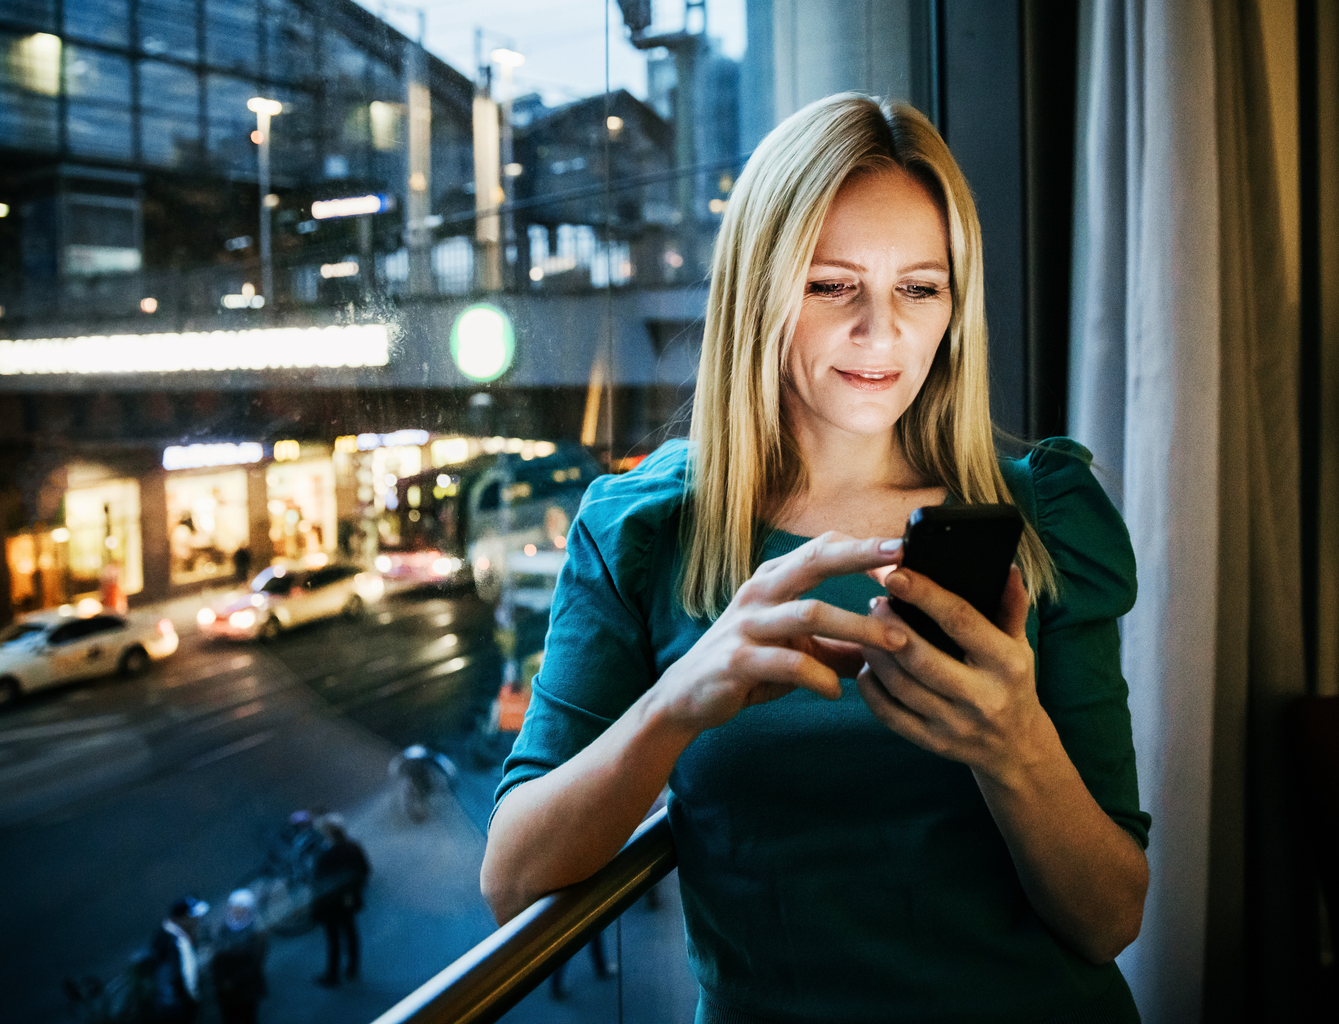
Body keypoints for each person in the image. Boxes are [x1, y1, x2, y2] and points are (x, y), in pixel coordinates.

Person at [481, 92, 1150, 1023]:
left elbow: (1112, 916)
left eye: (921, 287)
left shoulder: (1041, 516)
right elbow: (514, 876)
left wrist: (1014, 747)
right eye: (833, 284)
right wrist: (677, 702)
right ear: (761, 287)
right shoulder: (644, 529)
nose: (883, 332)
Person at [309, 813, 370, 987]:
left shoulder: (327, 852)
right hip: (346, 901)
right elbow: (364, 870)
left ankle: (333, 974)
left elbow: (319, 879)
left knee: (334, 938)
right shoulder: (352, 847)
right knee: (350, 932)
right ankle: (352, 968)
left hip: (330, 903)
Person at [209, 889, 269, 1024]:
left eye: (241, 908)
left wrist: (232, 982)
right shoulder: (223, 927)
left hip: (247, 989)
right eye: (234, 907)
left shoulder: (257, 932)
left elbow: (256, 963)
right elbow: (216, 958)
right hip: (225, 989)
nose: (237, 912)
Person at [150, 894, 208, 1023]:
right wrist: (194, 1001)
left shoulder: (164, 933)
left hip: (165, 1005)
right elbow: (188, 978)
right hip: (177, 1009)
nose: (197, 920)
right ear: (183, 919)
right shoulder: (179, 944)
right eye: (193, 917)